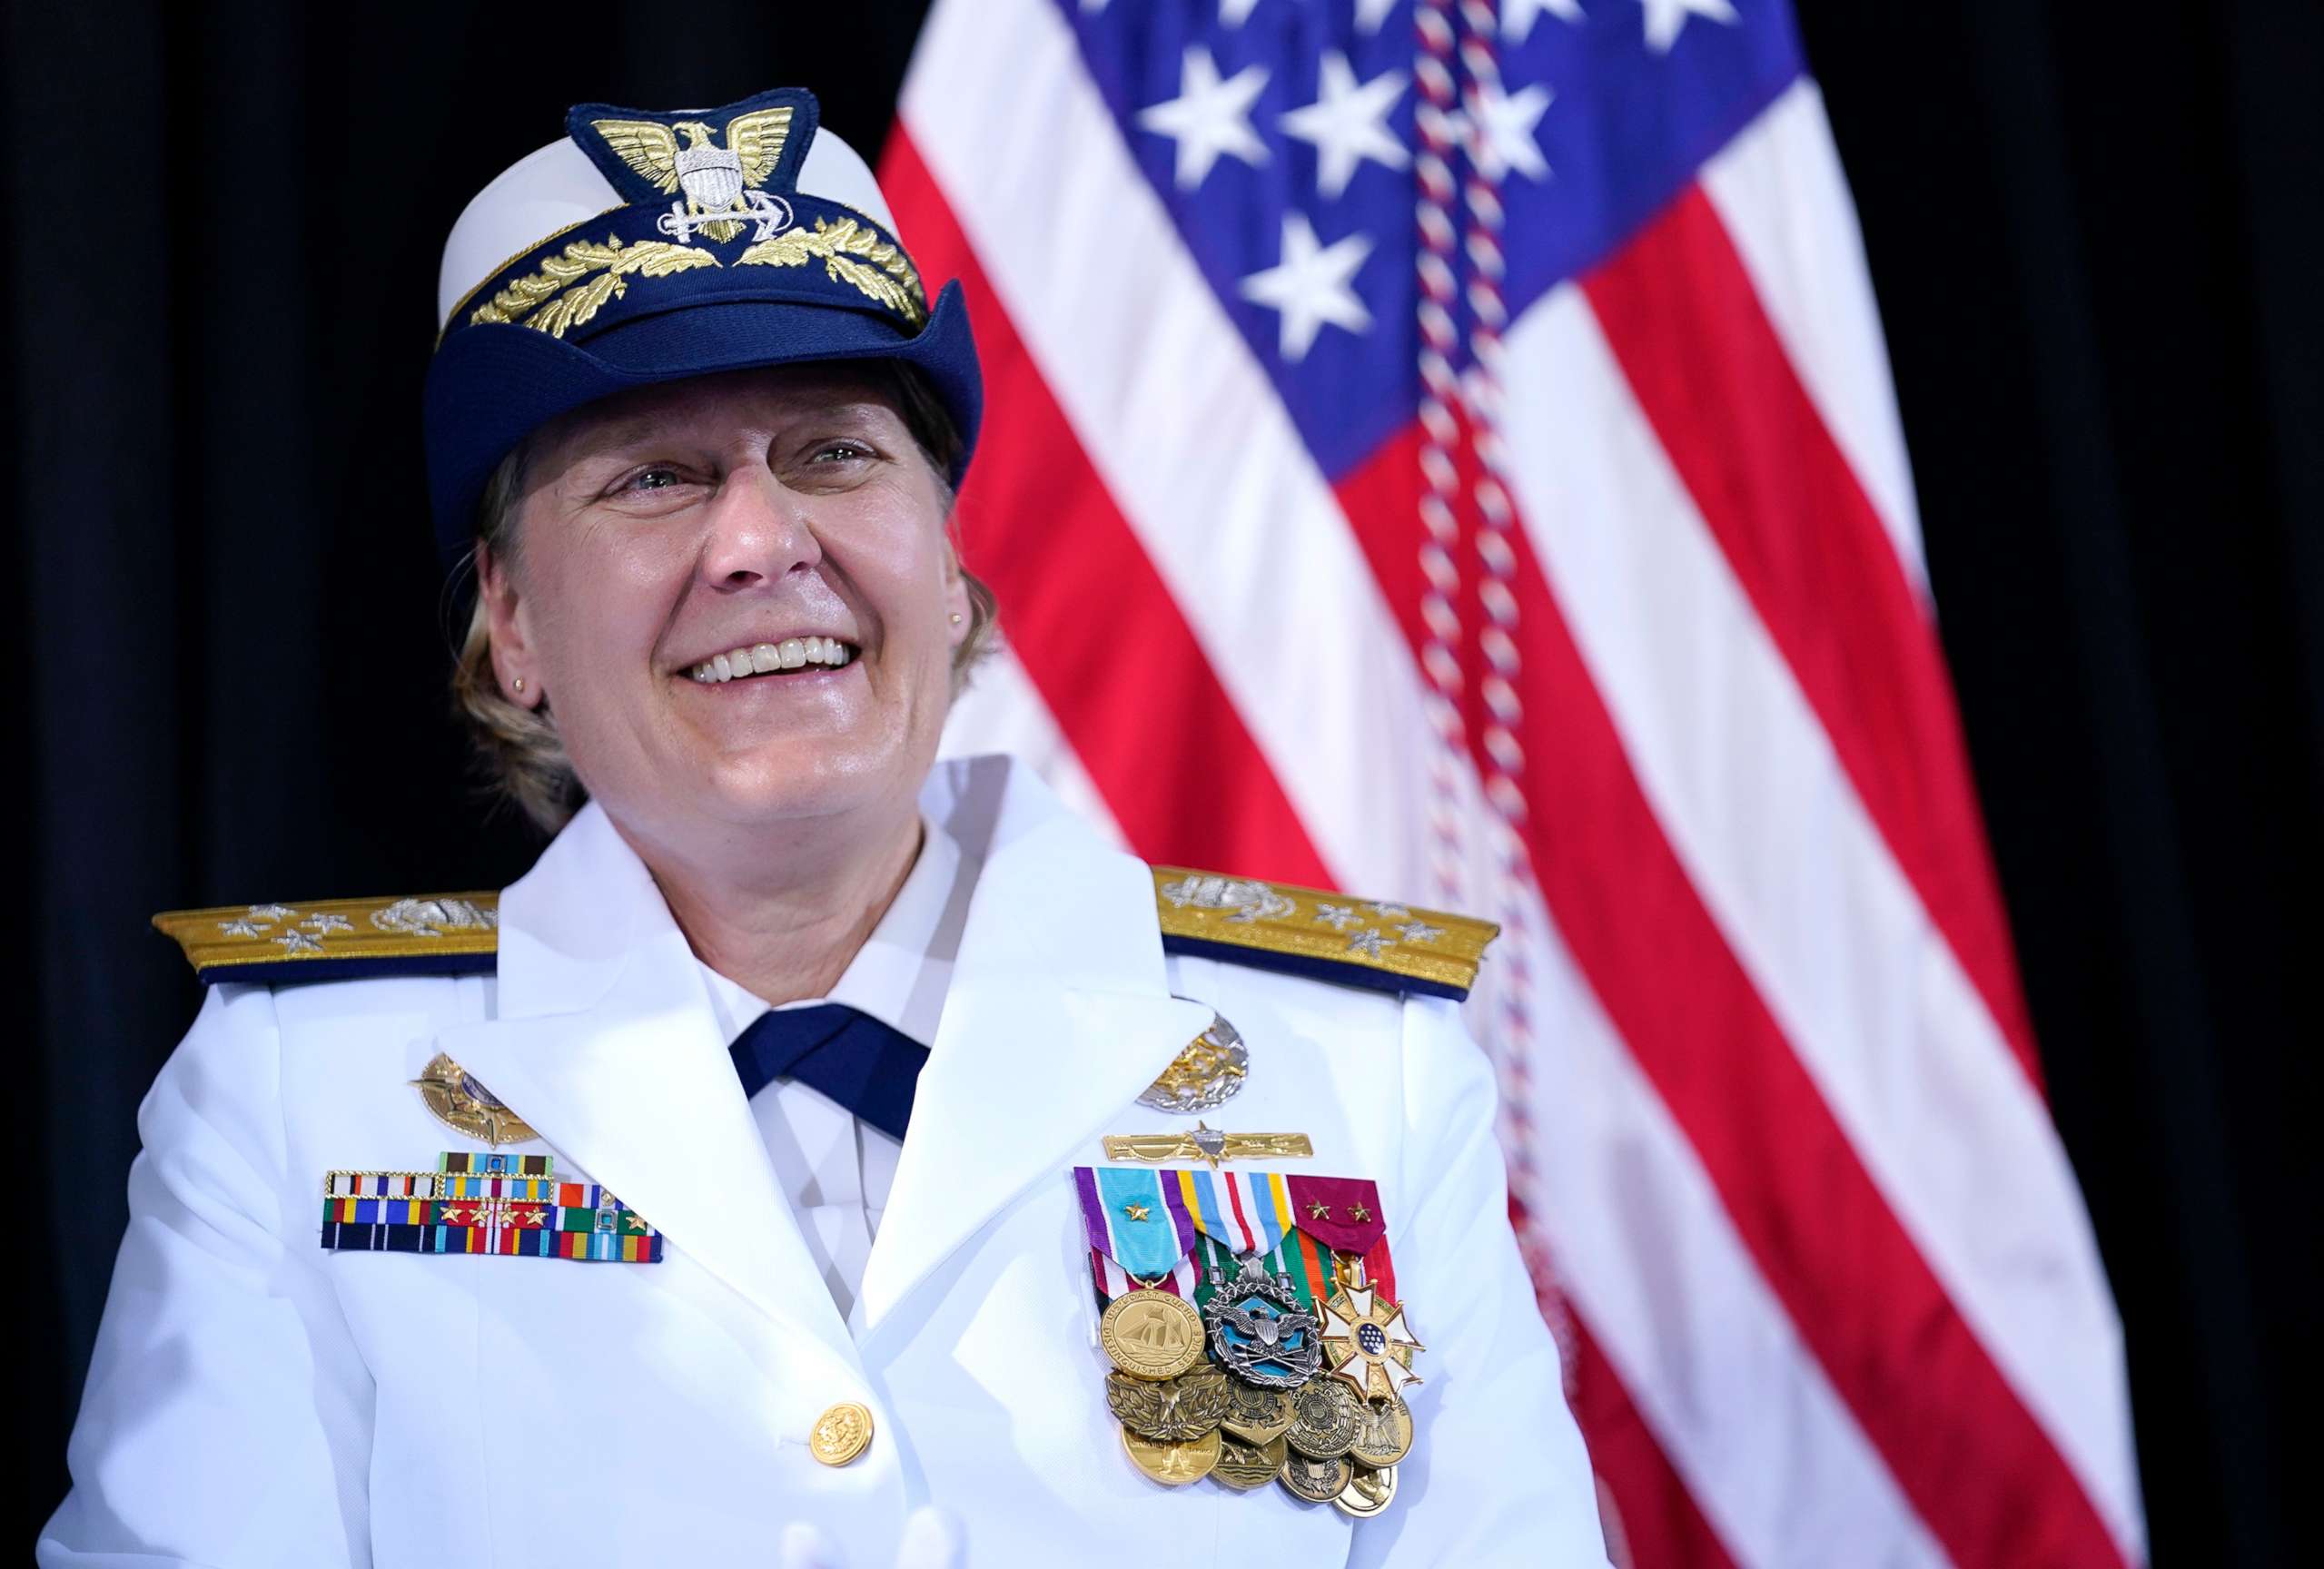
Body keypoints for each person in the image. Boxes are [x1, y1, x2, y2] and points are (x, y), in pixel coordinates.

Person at [41, 87, 1609, 1568]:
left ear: (943, 561)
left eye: (834, 454)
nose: (757, 543)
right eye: (654, 477)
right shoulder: (298, 1093)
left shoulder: (1357, 1066)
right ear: (511, 621)